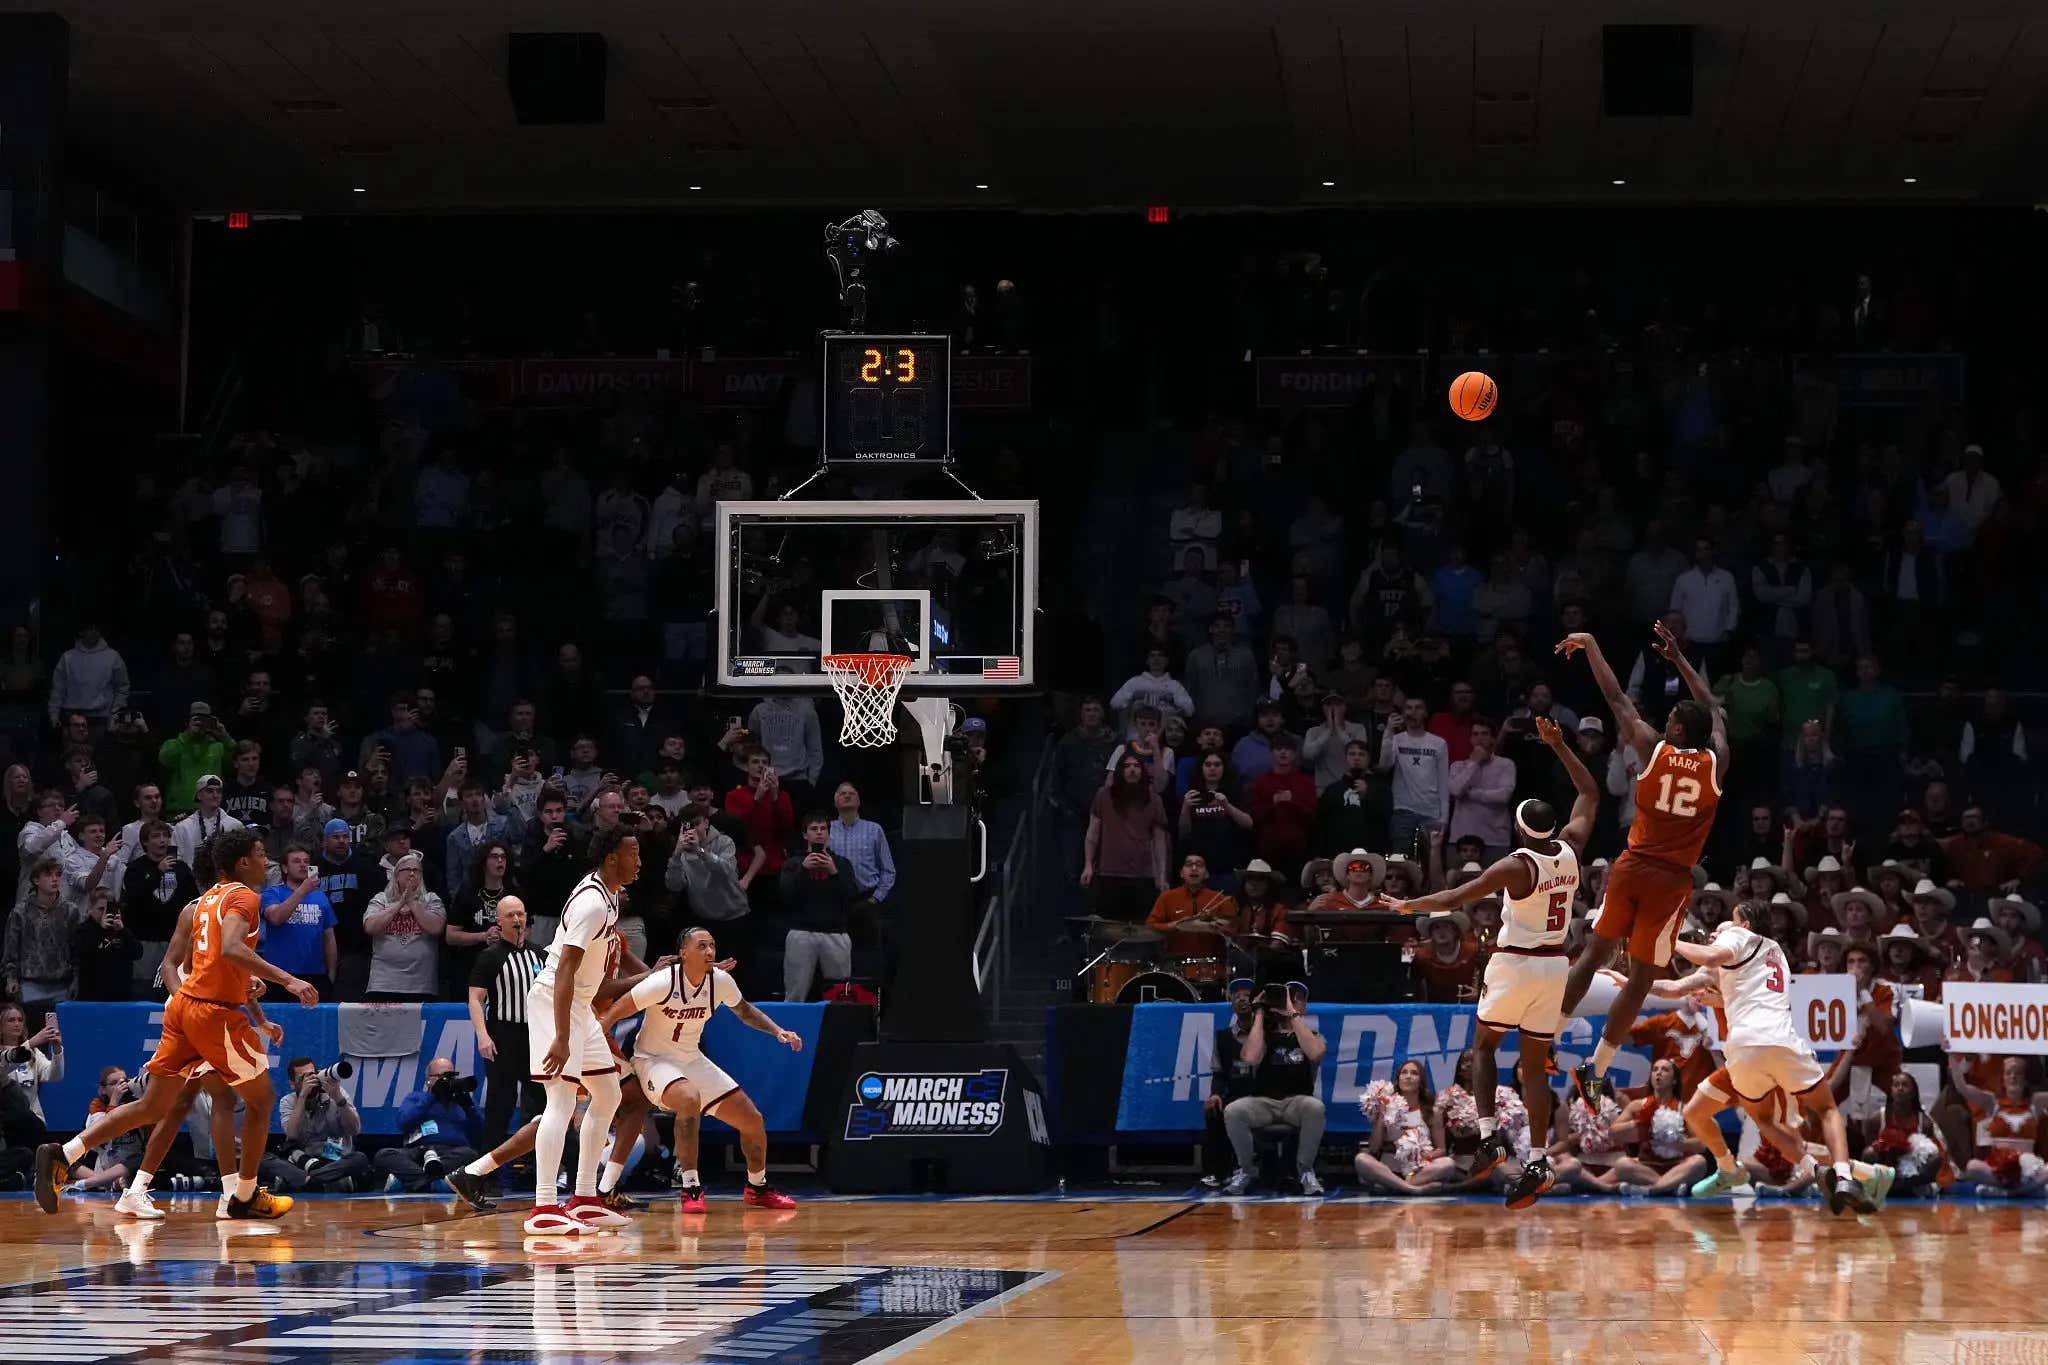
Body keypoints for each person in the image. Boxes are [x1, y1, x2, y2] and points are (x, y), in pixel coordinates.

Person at [35, 827, 318, 1217]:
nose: (266, 861)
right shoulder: (243, 896)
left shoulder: (202, 903)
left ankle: (64, 1153)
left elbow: (220, 964)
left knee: (156, 1105)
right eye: (259, 853)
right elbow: (229, 951)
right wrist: (288, 979)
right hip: (208, 1012)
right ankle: (243, 1195)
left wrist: (259, 1016)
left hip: (186, 1009)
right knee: (260, 1099)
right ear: (240, 862)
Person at [1385, 714, 1597, 1207]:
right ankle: (1539, 1160)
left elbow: (1459, 893)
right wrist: (1561, 746)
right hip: (1554, 966)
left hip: (1517, 962)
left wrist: (1408, 906)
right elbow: (1589, 794)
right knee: (1535, 1069)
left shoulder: (1514, 865)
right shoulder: (1572, 850)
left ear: (1520, 831)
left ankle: (1488, 1138)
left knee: (1482, 1049)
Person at [1556, 620, 1726, 1104]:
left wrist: (1590, 644)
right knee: (1644, 976)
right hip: (1670, 881)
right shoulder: (1717, 760)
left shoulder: (1652, 748)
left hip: (1632, 866)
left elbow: (1615, 697)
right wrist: (1679, 661)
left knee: (1594, 954)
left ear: (1674, 729)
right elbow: (1713, 708)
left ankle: (1549, 1037)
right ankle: (1597, 1066)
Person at [1668, 900, 1876, 1214]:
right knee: (1820, 1109)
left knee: (1774, 1122)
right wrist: (1630, 987)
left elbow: (1713, 959)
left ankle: (1857, 1172)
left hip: (1745, 1049)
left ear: (1742, 927)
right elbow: (1678, 986)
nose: (1716, 933)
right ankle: (1840, 1173)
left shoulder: (1736, 942)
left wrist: (1668, 939)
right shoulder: (1772, 954)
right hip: (1773, 1044)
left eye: (1726, 925)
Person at [599, 925, 802, 1210]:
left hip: (691, 1059)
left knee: (752, 1120)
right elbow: (616, 1010)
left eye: (712, 946)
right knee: (689, 1098)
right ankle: (691, 1188)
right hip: (652, 1060)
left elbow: (744, 1011)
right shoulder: (662, 982)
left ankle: (757, 1188)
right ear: (683, 953)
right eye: (702, 946)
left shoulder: (720, 981)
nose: (709, 951)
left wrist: (778, 1031)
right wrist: (591, 1041)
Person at [521, 822, 640, 1235]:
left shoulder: (611, 896)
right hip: (556, 1000)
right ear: (612, 858)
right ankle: (543, 1207)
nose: (639, 862)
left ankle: (585, 1198)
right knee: (561, 1099)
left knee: (608, 1092)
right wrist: (559, 1035)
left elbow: (597, 975)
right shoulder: (591, 903)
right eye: (633, 854)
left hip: (580, 1005)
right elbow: (566, 969)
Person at [1214, 981, 1328, 1196]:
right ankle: (1246, 1170)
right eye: (1287, 998)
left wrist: (1292, 1015)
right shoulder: (1263, 1033)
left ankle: (1305, 1172)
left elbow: (1314, 1053)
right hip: (1263, 1102)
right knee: (1234, 1110)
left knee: (1315, 1107)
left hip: (1297, 1101)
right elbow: (1250, 1057)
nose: (1290, 1002)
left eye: (1296, 999)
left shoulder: (1312, 1034)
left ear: (1303, 1006)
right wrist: (1259, 1013)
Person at [465, 895, 547, 1152]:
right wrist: (482, 1035)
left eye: (520, 914)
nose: (517, 920)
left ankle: (557, 1169)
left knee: (547, 1104)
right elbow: (475, 998)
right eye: (510, 915)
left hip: (535, 1036)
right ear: (499, 921)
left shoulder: (540, 955)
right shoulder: (490, 956)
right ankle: (487, 1176)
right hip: (503, 1035)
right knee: (500, 1105)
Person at [262, 1056, 370, 1193]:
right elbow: (292, 1135)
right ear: (292, 1083)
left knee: (359, 1159)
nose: (310, 1081)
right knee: (266, 1160)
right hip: (303, 1162)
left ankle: (307, 1181)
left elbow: (355, 1129)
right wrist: (302, 1096)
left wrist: (338, 1099)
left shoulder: (336, 1093)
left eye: (312, 1075)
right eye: (303, 1078)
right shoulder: (288, 1101)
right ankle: (330, 1182)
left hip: (336, 1161)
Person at [375, 1057, 483, 1191]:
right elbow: (403, 1123)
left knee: (470, 1155)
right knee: (384, 1155)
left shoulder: (462, 1102)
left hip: (451, 1154)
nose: (446, 1081)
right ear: (428, 1080)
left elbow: (481, 1132)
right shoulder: (416, 1098)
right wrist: (431, 1097)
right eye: (441, 1076)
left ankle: (412, 1181)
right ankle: (438, 1183)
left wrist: (469, 1107)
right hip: (419, 1151)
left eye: (450, 1076)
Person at [258, 845, 337, 999]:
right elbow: (275, 918)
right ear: (285, 868)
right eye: (296, 861)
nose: (303, 865)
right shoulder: (272, 893)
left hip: (315, 974)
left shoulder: (320, 897)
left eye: (306, 861)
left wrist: (332, 971)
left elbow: (329, 937)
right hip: (278, 976)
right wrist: (302, 891)